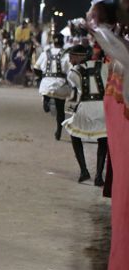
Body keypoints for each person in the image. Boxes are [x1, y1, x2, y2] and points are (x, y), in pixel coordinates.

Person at [63, 44, 108, 185]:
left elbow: (79, 90)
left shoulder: (73, 73)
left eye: (71, 57)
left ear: (78, 57)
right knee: (103, 140)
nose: (70, 60)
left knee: (74, 134)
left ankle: (84, 171)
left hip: (86, 108)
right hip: (103, 108)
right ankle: (99, 177)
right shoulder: (105, 66)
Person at [36, 33, 71, 139]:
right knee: (60, 110)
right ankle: (59, 131)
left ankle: (45, 99)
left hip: (46, 84)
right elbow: (70, 72)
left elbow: (36, 68)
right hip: (60, 85)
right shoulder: (66, 55)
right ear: (63, 42)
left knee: (44, 89)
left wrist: (42, 78)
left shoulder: (45, 53)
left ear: (53, 42)